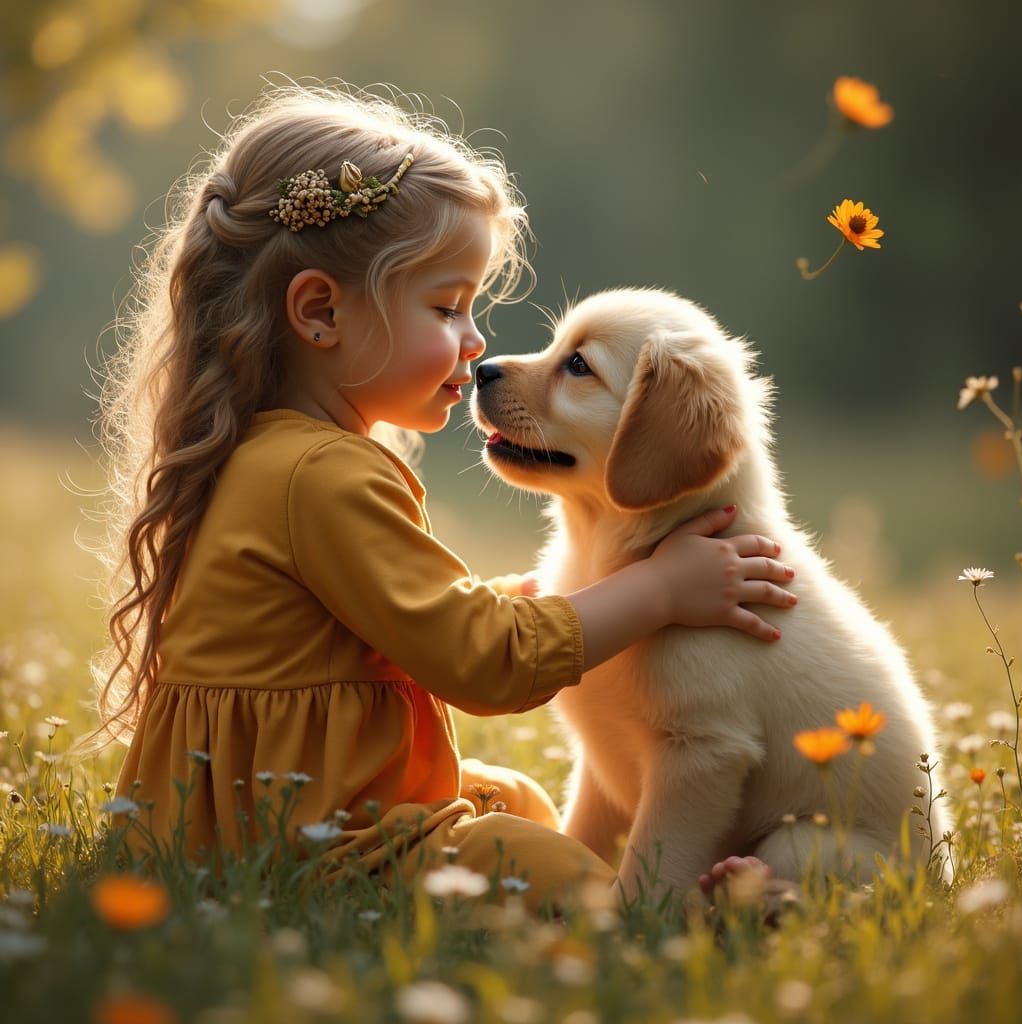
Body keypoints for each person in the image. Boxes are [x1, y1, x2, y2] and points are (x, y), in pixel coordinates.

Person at [73, 81, 796, 911]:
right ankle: (703, 921)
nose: (476, 341)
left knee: (515, 801)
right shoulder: (325, 475)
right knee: (562, 875)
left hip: (259, 806)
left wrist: (507, 598)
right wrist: (661, 589)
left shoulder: (277, 456)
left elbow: (375, 625)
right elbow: (482, 666)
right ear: (320, 312)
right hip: (304, 843)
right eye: (447, 308)